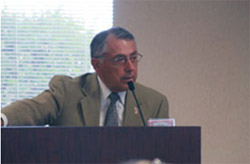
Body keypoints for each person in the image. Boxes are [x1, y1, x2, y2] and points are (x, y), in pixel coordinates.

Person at [1, 27, 169, 126]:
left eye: (133, 58)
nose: (130, 68)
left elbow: (162, 152)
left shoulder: (155, 102)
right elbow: (33, 109)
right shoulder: (67, 92)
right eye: (120, 60)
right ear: (96, 64)